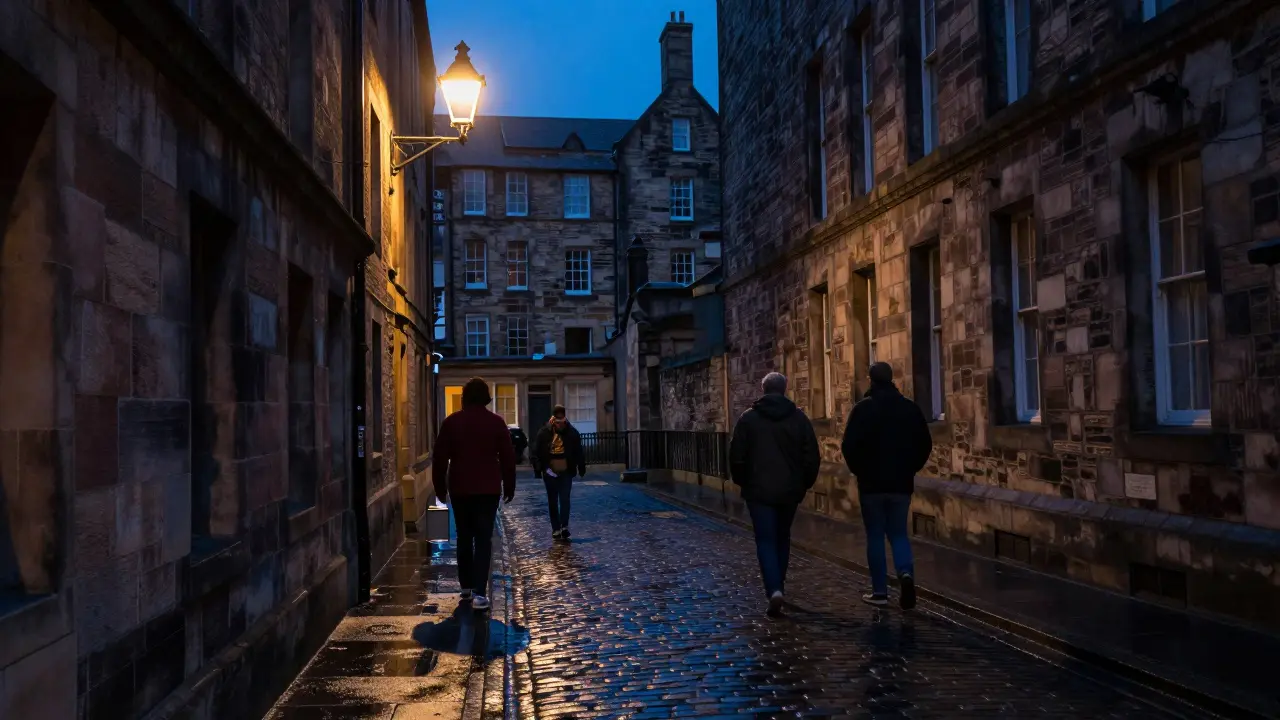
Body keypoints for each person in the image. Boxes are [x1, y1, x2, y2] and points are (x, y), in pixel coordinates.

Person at [841, 362, 933, 610]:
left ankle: (880, 591)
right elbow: (925, 444)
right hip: (900, 483)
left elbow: (848, 446)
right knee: (898, 533)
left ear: (871, 380)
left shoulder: (862, 410)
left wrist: (860, 470)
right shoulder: (909, 409)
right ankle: (905, 573)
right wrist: (909, 468)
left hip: (871, 484)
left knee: (875, 535)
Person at [729, 372, 820, 617]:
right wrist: (803, 484)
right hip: (789, 490)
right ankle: (779, 584)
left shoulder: (748, 419)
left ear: (763, 389)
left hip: (758, 491)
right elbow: (811, 457)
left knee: (766, 540)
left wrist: (743, 482)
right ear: (784, 388)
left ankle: (774, 589)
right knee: (782, 538)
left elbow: (736, 457)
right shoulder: (799, 419)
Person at [432, 377, 517, 612]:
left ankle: (466, 587)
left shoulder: (452, 423)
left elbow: (439, 458)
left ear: (465, 397)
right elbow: (508, 458)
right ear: (486, 398)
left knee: (463, 537)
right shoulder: (496, 423)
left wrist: (439, 487)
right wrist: (509, 485)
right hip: (488, 489)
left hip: (460, 487)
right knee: (483, 539)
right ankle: (480, 591)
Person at [532, 405, 586, 541]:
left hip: (566, 470)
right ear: (552, 420)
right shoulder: (544, 432)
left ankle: (564, 526)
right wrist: (539, 467)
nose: (560, 425)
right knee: (552, 501)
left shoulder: (571, 432)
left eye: (562, 421)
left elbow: (578, 450)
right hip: (549, 470)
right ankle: (556, 528)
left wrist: (581, 466)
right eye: (557, 422)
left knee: (564, 499)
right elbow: (536, 452)